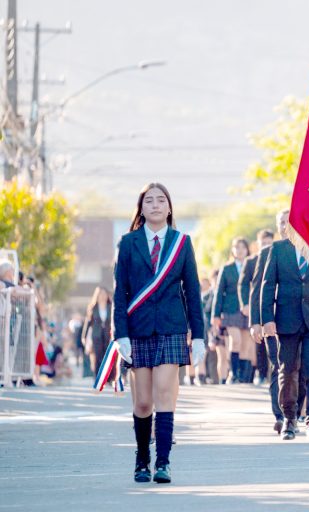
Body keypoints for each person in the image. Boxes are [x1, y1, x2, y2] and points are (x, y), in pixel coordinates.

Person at [113, 182, 205, 484]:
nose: (155, 205)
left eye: (160, 200)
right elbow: (120, 293)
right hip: (138, 331)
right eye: (148, 200)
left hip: (171, 329)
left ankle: (163, 462)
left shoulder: (182, 242)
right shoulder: (128, 243)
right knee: (142, 402)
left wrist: (199, 336)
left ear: (169, 207)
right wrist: (120, 335)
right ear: (141, 208)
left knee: (165, 395)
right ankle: (142, 461)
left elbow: (192, 291)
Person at [261, 209, 309, 441]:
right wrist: (267, 319)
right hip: (287, 319)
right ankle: (289, 419)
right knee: (287, 369)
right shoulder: (278, 249)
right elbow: (268, 285)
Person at [250, 215, 284, 434]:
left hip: (302, 319)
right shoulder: (267, 253)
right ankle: (280, 414)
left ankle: (296, 411)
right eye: (282, 222)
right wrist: (256, 322)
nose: (286, 226)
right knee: (279, 365)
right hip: (272, 319)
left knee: (298, 368)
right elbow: (256, 289)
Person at [213, 238, 253, 383]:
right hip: (230, 310)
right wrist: (215, 315)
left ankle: (242, 376)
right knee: (235, 340)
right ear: (233, 250)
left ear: (247, 250)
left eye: (243, 247)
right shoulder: (227, 268)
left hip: (248, 310)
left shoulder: (252, 266)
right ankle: (233, 373)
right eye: (237, 247)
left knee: (245, 344)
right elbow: (218, 292)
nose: (240, 250)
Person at [240, 229, 274, 385]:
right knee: (260, 341)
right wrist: (246, 304)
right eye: (263, 243)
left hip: (274, 303)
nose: (266, 245)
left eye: (269, 243)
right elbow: (244, 284)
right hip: (258, 304)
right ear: (258, 244)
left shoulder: (277, 256)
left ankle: (275, 371)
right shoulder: (251, 261)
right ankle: (261, 373)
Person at [83, 286, 113, 387]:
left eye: (104, 294)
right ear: (97, 295)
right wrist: (84, 336)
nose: (103, 296)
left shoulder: (111, 307)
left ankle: (108, 378)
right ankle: (98, 378)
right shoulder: (93, 308)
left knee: (108, 356)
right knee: (98, 356)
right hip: (96, 335)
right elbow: (88, 323)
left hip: (108, 335)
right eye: (100, 294)